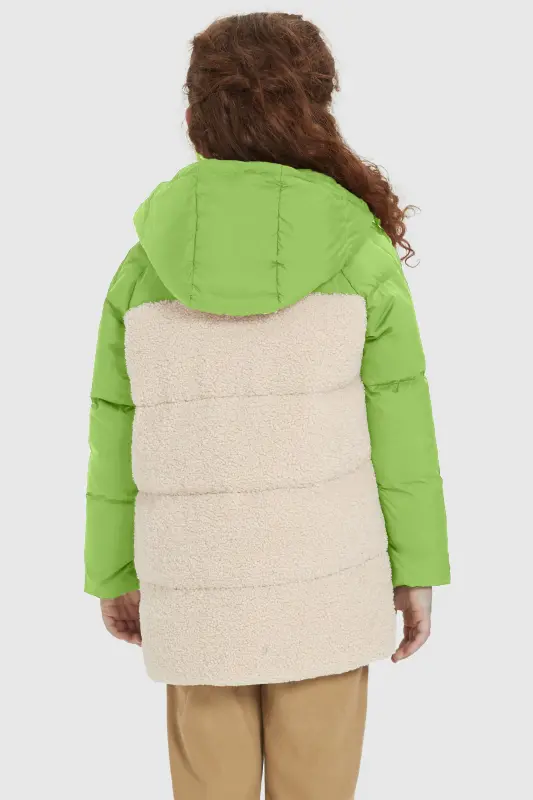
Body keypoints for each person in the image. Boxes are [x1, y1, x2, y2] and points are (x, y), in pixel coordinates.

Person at [85, 11, 450, 799]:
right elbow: (400, 424)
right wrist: (416, 568)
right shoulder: (358, 254)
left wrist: (112, 568)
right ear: (315, 111)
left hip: (194, 590)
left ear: (194, 118)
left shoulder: (143, 266)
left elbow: (114, 429)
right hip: (328, 585)